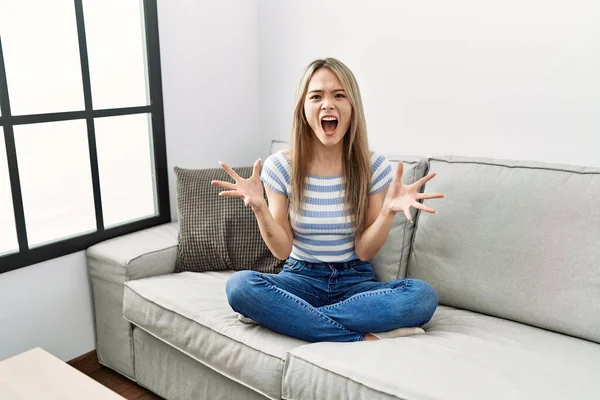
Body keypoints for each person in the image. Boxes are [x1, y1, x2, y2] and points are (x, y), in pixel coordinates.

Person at [211, 57, 444, 342]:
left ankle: (289, 316)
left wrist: (388, 212)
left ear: (352, 107)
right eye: (316, 96)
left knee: (422, 297)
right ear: (303, 109)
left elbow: (365, 251)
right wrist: (260, 209)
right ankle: (358, 336)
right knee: (240, 287)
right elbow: (282, 251)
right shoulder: (279, 167)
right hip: (300, 277)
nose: (327, 104)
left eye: (339, 95)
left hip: (354, 280)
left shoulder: (374, 167)